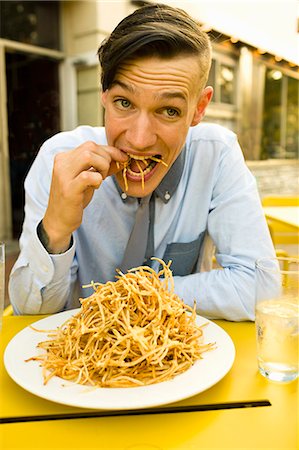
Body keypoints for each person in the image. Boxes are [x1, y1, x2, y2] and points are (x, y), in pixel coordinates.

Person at [9, 3, 275, 320]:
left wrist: (134, 295)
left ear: (199, 109)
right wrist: (54, 231)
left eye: (169, 111)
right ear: (104, 96)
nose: (139, 138)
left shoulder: (216, 156)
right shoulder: (59, 158)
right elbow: (29, 309)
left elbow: (260, 287)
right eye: (124, 103)